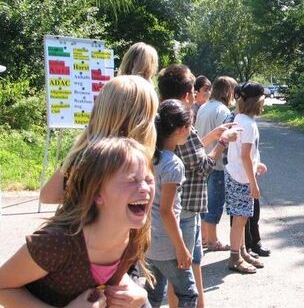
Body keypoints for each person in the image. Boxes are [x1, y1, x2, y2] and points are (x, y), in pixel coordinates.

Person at [0, 137, 154, 307]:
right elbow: (3, 287)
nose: (145, 188)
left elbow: (108, 275)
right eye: (132, 180)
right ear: (96, 193)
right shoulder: (57, 243)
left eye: (149, 180)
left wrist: (139, 292)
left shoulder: (136, 235)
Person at [156, 64, 237, 308]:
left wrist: (211, 136)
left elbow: (185, 149)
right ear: (185, 95)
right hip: (186, 206)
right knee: (186, 269)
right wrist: (222, 141)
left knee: (177, 270)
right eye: (192, 91)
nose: (194, 96)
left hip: (168, 204)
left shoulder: (161, 118)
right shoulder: (184, 123)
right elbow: (202, 166)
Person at [40, 75, 158, 205]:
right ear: (139, 121)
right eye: (151, 116)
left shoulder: (84, 153)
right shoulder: (122, 161)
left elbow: (48, 196)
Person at [145, 100, 205, 308]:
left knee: (152, 296)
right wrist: (181, 248)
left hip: (149, 241)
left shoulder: (150, 158)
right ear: (180, 129)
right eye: (190, 127)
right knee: (188, 294)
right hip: (167, 245)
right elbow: (166, 210)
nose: (191, 132)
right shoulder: (173, 164)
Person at [225, 82, 268, 273]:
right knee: (241, 218)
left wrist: (256, 163)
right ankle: (235, 257)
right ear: (257, 102)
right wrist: (253, 183)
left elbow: (241, 153)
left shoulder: (239, 118)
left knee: (239, 217)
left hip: (235, 173)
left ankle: (242, 251)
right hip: (242, 177)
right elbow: (244, 155)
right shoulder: (249, 124)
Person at [196, 76, 238, 252]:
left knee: (205, 202)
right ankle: (213, 241)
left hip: (203, 159)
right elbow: (227, 137)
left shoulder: (204, 107)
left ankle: (205, 238)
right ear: (228, 91)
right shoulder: (222, 111)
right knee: (215, 202)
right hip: (217, 162)